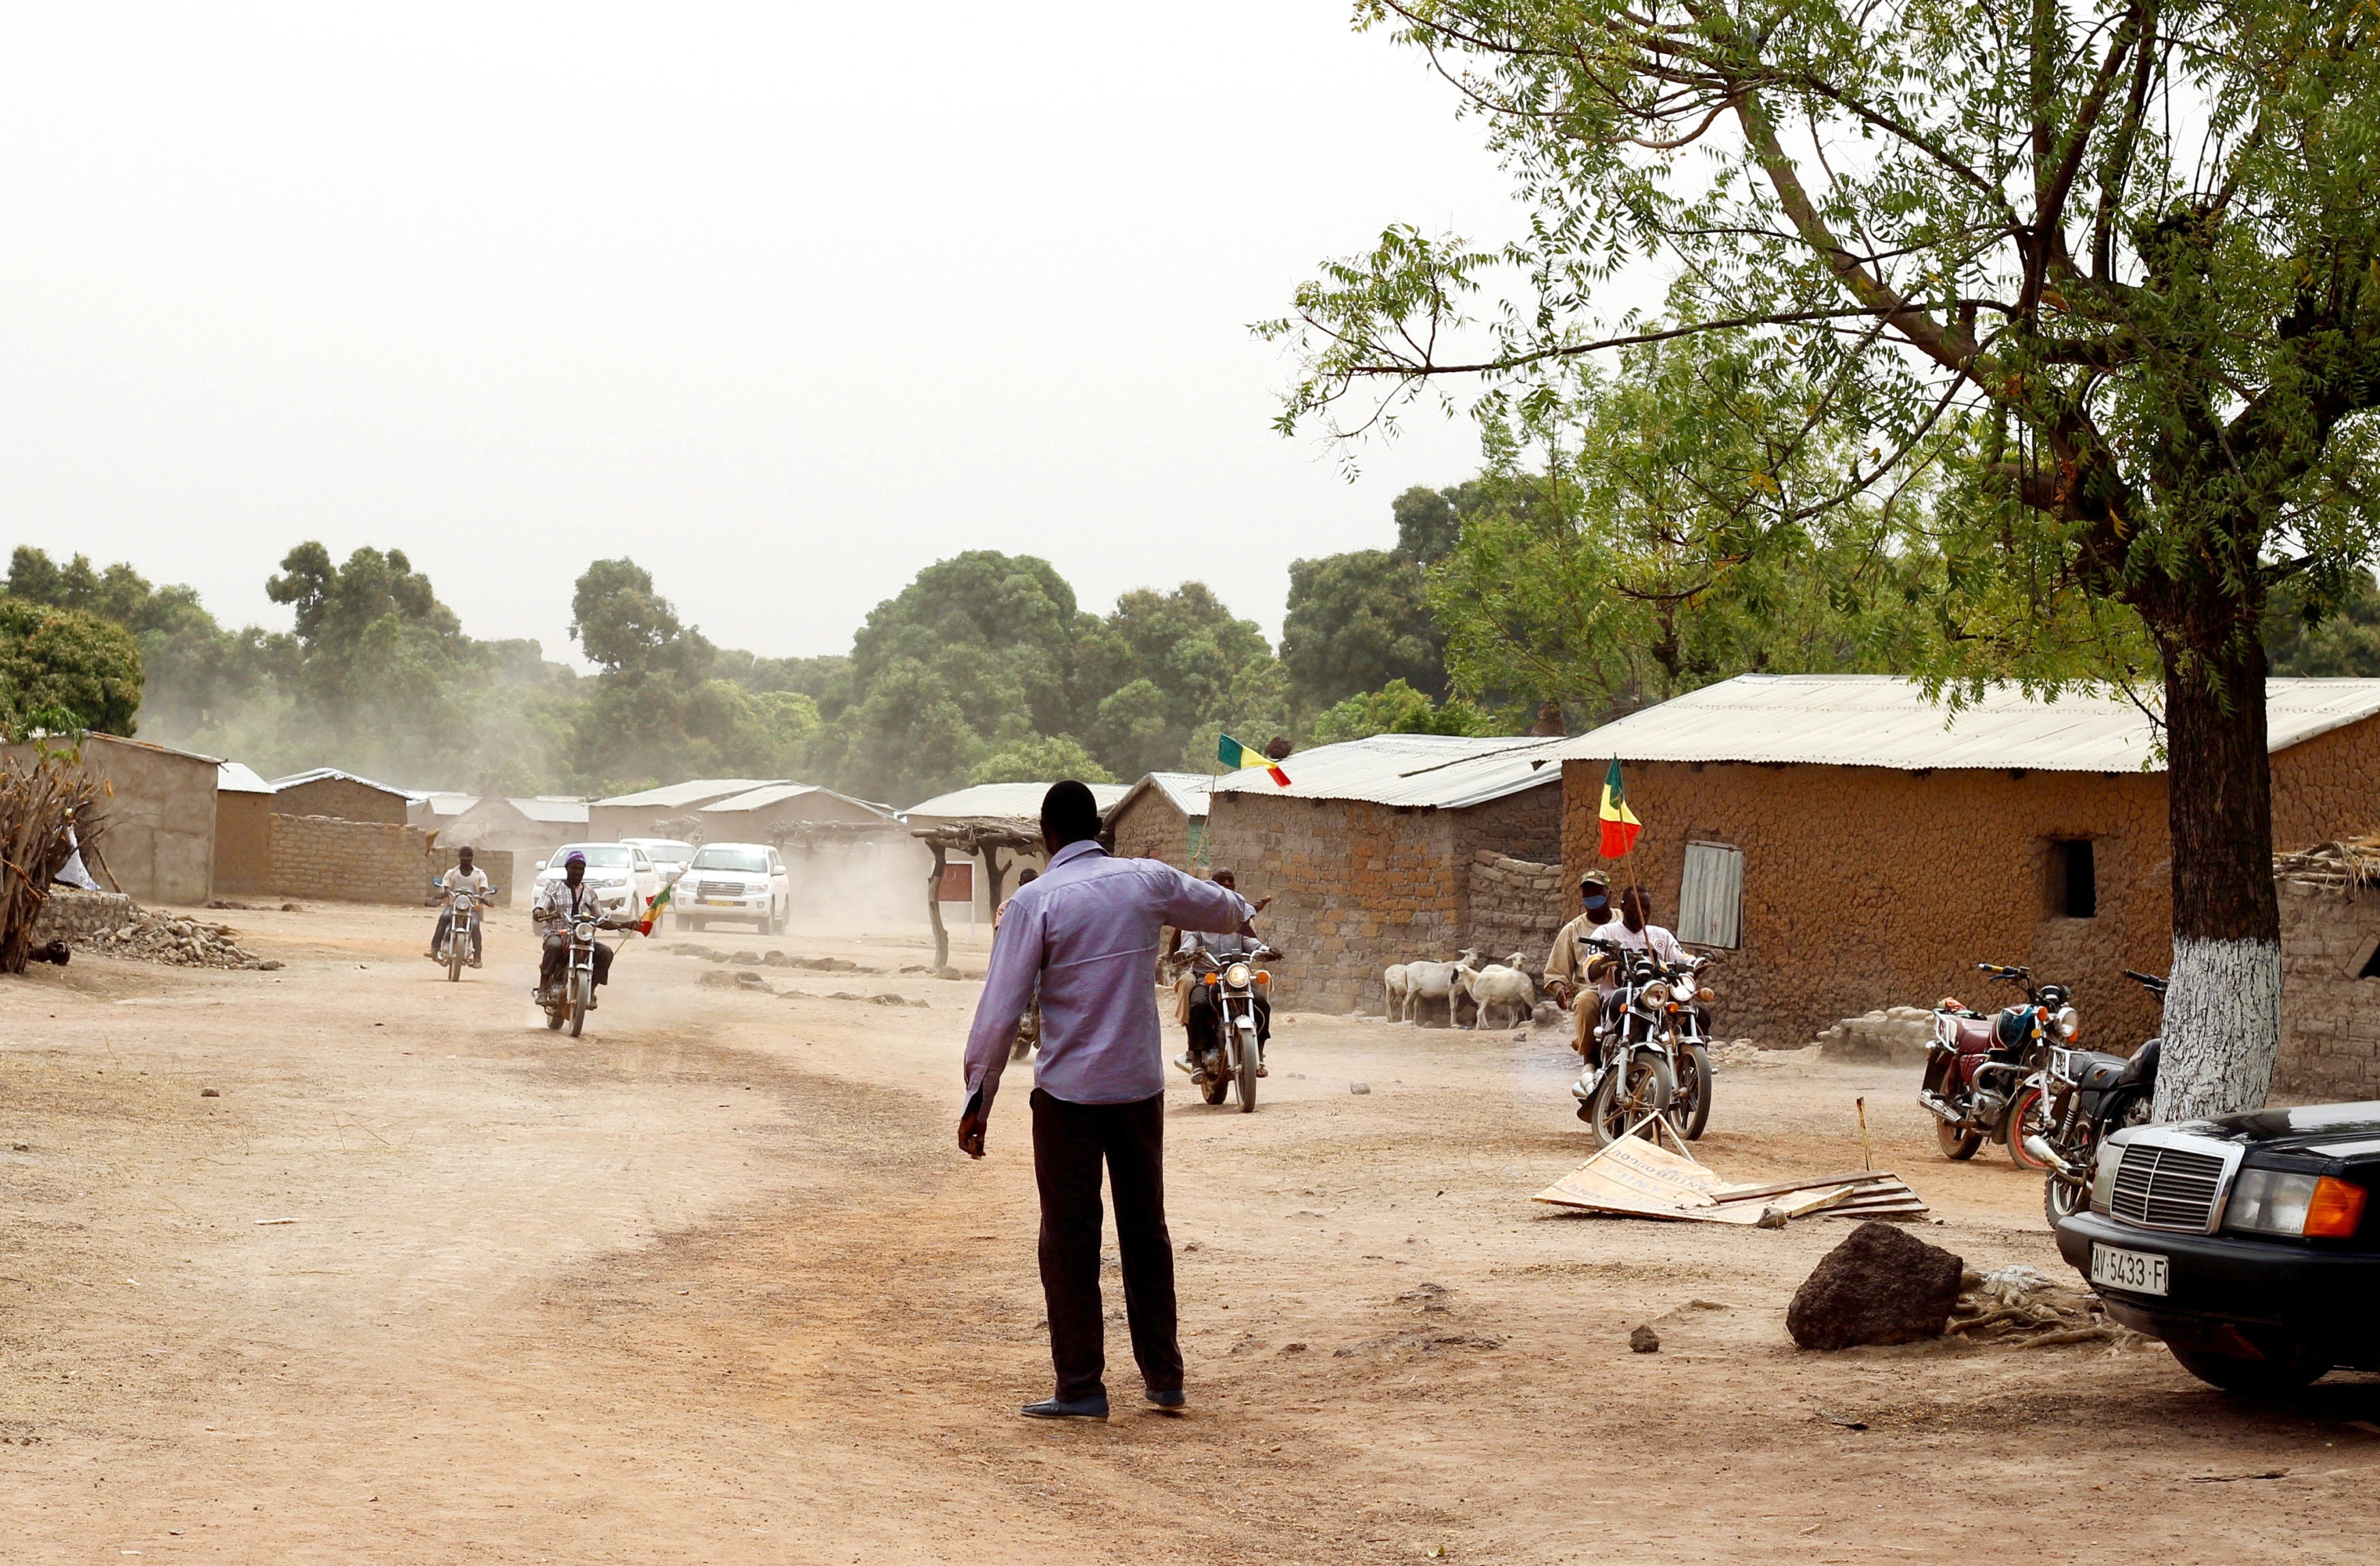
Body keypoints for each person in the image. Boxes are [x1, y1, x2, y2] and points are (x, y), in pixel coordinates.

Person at [958, 781, 1255, 1423]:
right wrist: (1240, 912)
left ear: (1047, 836)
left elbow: (1000, 1008)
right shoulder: (1145, 880)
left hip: (1067, 1097)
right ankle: (1165, 1379)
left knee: (1068, 1239)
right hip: (1137, 1091)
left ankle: (1081, 1387)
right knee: (1145, 1231)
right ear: (1099, 829)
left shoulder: (1033, 903)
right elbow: (1226, 907)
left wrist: (978, 1096)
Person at [1170, 866, 1272, 1074]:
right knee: (1198, 1005)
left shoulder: (1239, 921)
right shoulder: (1198, 920)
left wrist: (1267, 951)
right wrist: (1185, 953)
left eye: (1230, 881)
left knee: (1262, 1005)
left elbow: (1251, 942)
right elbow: (1190, 941)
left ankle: (1259, 1053)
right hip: (1207, 978)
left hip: (1235, 978)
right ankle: (1197, 1058)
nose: (1226, 885)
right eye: (1220, 882)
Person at [1541, 870, 1618, 1057]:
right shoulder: (1573, 930)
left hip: (1625, 985)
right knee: (1584, 1003)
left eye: (1597, 892)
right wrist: (1559, 989)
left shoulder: (1624, 920)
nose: (1591, 898)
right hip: (1592, 989)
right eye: (1587, 893)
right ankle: (1590, 1061)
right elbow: (1555, 973)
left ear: (1610, 894)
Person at [532, 851, 617, 1001]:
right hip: (557, 934)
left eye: (581, 869)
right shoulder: (554, 889)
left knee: (606, 953)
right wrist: (540, 912)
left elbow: (601, 918)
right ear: (567, 868)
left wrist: (626, 924)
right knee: (555, 946)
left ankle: (589, 991)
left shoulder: (589, 892)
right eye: (574, 868)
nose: (578, 872)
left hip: (582, 937)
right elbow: (540, 907)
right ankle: (543, 988)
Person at [427, 846, 493, 966]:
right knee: (444, 917)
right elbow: (446, 886)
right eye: (464, 859)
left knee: (475, 925)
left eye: (468, 859)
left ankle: (477, 957)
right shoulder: (452, 873)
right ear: (459, 859)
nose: (466, 862)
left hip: (471, 908)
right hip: (454, 905)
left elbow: (484, 889)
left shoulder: (479, 875)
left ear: (472, 858)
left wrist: (486, 897)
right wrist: (444, 892)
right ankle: (434, 949)